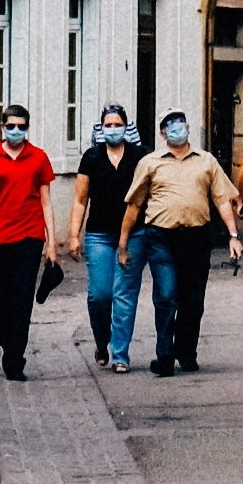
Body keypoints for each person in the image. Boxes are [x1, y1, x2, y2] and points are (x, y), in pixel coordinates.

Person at [126, 111, 238, 372]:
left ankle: (186, 352)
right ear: (162, 133)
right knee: (166, 296)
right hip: (161, 237)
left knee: (193, 298)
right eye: (170, 126)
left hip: (197, 236)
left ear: (188, 128)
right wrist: (124, 241)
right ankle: (164, 356)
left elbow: (222, 199)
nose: (177, 130)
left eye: (181, 125)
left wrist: (233, 235)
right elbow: (135, 204)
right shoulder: (150, 162)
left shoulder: (206, 161)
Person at [0, 105, 58, 373]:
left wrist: (51, 243)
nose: (16, 131)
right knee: (0, 297)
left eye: (21, 126)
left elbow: (46, 202)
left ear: (27, 128)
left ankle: (15, 357)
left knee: (22, 297)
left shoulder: (38, 158)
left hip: (30, 237)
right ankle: (8, 342)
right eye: (11, 126)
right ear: (2, 127)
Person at [72, 100, 146, 362]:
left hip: (135, 234)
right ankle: (102, 340)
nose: (113, 129)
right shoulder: (91, 157)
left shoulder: (139, 156)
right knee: (99, 295)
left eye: (118, 125)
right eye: (108, 125)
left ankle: (120, 354)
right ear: (101, 128)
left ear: (126, 127)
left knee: (124, 295)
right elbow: (80, 199)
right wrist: (74, 235)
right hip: (99, 235)